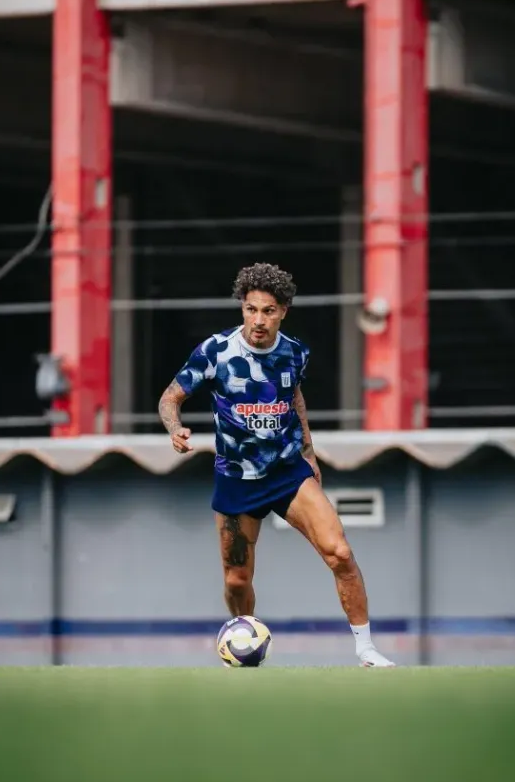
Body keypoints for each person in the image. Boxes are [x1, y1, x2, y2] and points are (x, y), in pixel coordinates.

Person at [158, 262, 395, 668]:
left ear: (283, 311)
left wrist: (309, 452)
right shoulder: (216, 351)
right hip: (237, 478)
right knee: (237, 580)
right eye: (251, 309)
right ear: (242, 308)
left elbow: (294, 397)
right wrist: (175, 428)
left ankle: (367, 650)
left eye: (268, 311)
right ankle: (242, 644)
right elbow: (170, 398)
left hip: (287, 472)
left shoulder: (294, 352)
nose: (258, 320)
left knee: (340, 553)